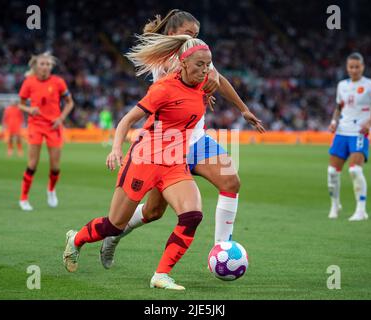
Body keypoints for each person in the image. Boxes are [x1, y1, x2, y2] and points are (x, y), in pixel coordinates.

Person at [100, 10, 265, 269]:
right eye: (189, 34)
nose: (194, 40)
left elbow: (218, 79)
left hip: (196, 138)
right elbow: (182, 73)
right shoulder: (163, 59)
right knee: (154, 212)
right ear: (171, 34)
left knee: (231, 181)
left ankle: (220, 251)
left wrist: (243, 109)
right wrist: (203, 78)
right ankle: (115, 234)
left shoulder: (196, 57)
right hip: (167, 146)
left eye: (196, 35)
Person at [63, 34, 213, 290]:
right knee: (113, 225)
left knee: (192, 216)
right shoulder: (163, 89)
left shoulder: (204, 83)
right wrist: (115, 148)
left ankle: (161, 275)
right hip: (144, 159)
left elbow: (218, 87)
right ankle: (76, 239)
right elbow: (126, 120)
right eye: (200, 64)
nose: (205, 69)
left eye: (208, 64)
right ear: (184, 63)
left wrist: (243, 109)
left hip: (175, 164)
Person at [327, 52, 371, 221]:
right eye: (351, 67)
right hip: (342, 131)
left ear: (362, 67)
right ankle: (335, 205)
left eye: (357, 67)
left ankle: (361, 210)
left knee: (355, 170)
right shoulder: (341, 85)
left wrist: (370, 123)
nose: (354, 70)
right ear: (347, 68)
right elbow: (339, 107)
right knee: (332, 172)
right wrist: (333, 121)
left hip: (360, 131)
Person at [17, 52, 74, 211]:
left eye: (48, 64)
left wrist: (61, 118)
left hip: (54, 126)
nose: (45, 66)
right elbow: (20, 104)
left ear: (51, 66)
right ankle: (23, 198)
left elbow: (70, 103)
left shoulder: (58, 82)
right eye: (42, 64)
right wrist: (29, 109)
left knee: (55, 166)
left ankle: (51, 190)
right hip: (35, 125)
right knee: (32, 164)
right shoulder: (29, 82)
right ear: (36, 66)